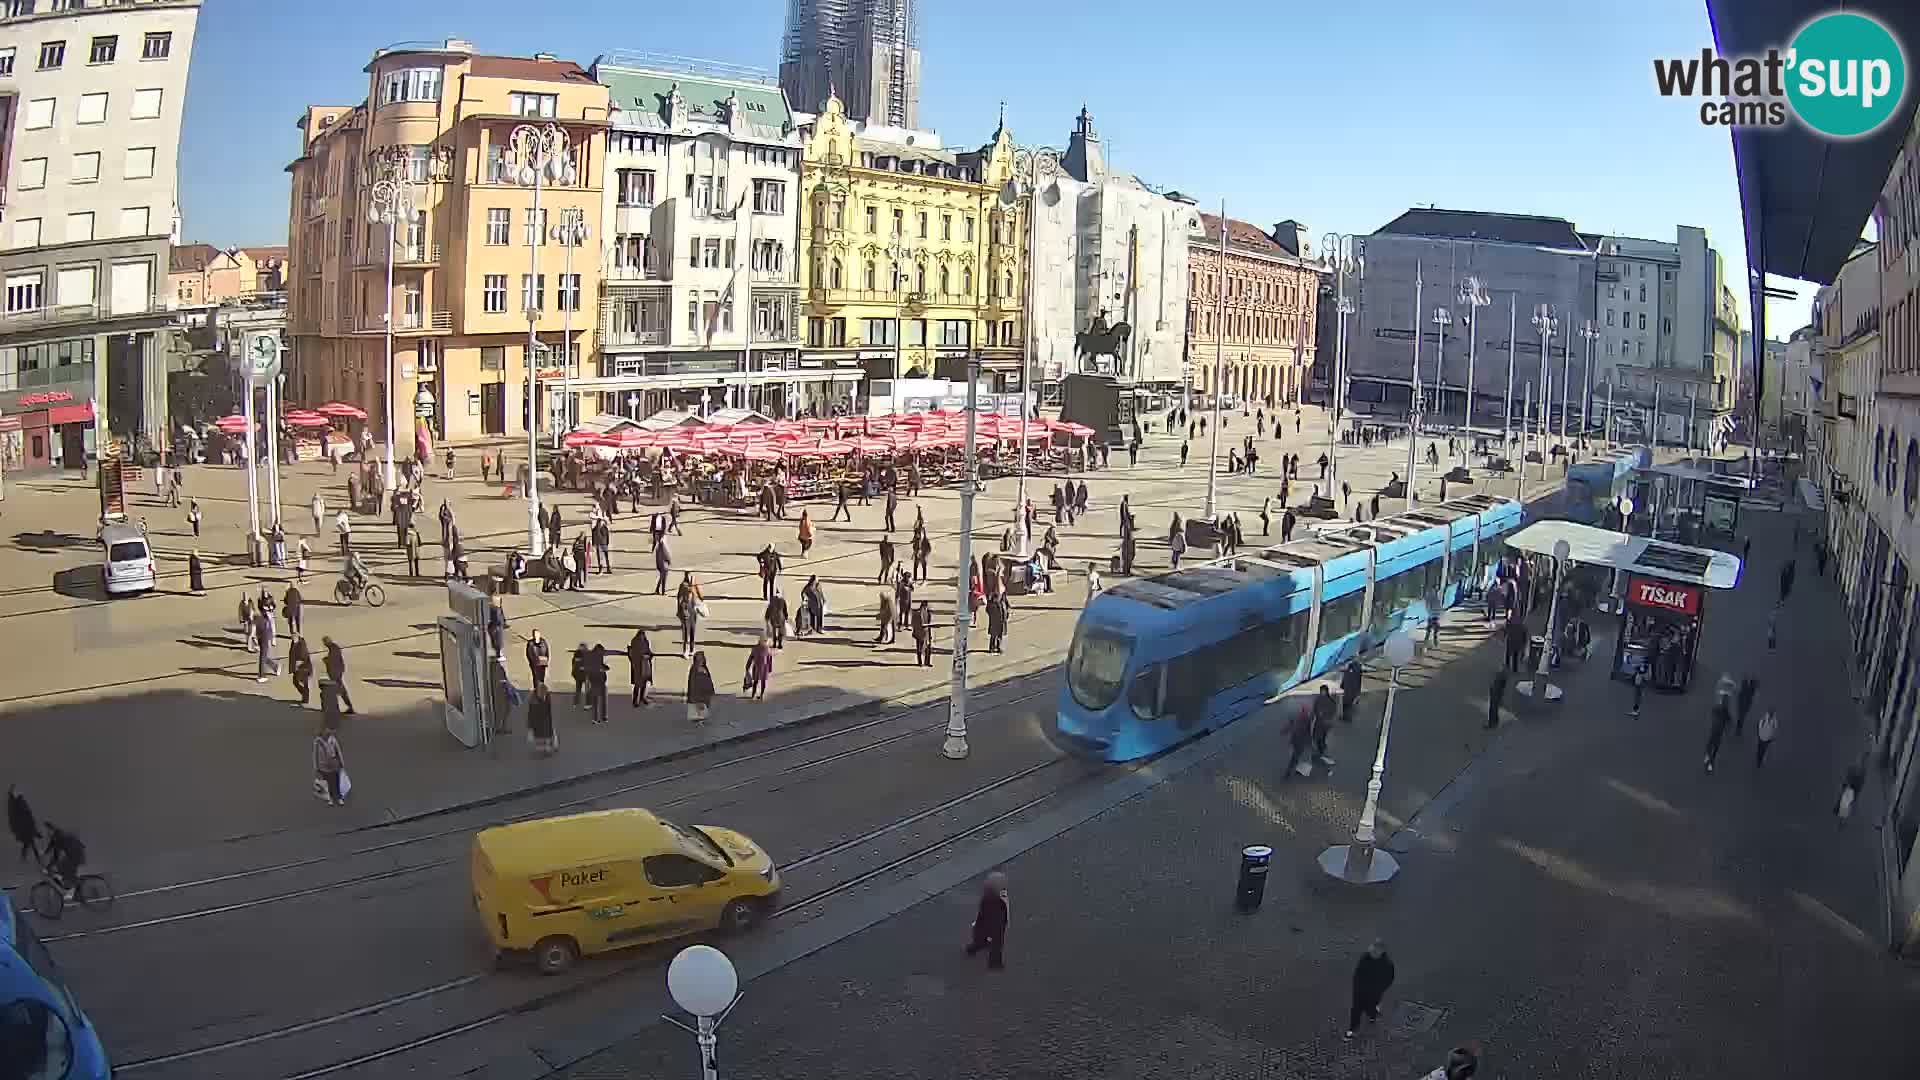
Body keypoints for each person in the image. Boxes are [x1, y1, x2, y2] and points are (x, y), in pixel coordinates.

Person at [1345, 940, 1396, 1039]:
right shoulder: (1365, 958)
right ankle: (1353, 1029)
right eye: (1372, 950)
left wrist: (1380, 988)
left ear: (1381, 952)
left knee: (1370, 1006)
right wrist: (1357, 986)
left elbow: (1389, 978)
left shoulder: (1387, 964)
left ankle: (1372, 1015)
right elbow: (1358, 972)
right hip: (1360, 990)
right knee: (1356, 1009)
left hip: (1374, 991)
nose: (1372, 952)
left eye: (1375, 951)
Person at [965, 871, 1009, 970]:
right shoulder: (999, 899)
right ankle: (994, 961)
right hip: (994, 918)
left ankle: (980, 944)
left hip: (989, 917)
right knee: (996, 939)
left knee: (983, 929)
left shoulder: (987, 899)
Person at [41, 823, 85, 893]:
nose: (47, 833)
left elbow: (56, 855)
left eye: (48, 831)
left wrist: (48, 867)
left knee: (65, 869)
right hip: (76, 852)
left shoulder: (59, 838)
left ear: (52, 830)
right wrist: (45, 853)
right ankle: (74, 886)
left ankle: (76, 888)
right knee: (65, 868)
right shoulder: (57, 835)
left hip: (75, 855)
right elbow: (52, 845)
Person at [313, 723, 348, 806]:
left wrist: (341, 762)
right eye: (327, 730)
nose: (329, 731)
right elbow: (315, 754)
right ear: (323, 731)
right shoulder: (317, 742)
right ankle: (330, 798)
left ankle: (339, 797)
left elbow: (338, 751)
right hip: (323, 766)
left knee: (336, 781)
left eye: (330, 730)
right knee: (327, 783)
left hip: (334, 764)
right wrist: (316, 767)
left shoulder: (333, 740)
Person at [322, 637, 356, 714]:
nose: (324, 644)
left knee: (337, 691)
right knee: (338, 690)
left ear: (327, 642)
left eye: (324, 642)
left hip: (336, 673)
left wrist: (326, 660)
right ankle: (347, 707)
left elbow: (333, 660)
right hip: (336, 672)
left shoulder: (333, 648)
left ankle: (346, 707)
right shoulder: (333, 648)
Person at [1703, 688, 1733, 774]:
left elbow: (1714, 715)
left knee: (1711, 745)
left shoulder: (1718, 709)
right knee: (1714, 747)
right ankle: (1710, 762)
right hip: (1718, 731)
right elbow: (1728, 722)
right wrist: (1727, 730)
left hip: (1715, 730)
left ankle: (1708, 759)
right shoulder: (1723, 711)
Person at [8, 786, 40, 863]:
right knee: (30, 843)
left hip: (26, 827)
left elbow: (27, 816)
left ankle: (26, 857)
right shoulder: (18, 805)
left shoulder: (18, 804)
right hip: (25, 828)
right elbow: (25, 815)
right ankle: (35, 857)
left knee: (29, 843)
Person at [677, 574, 704, 658]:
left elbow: (702, 597)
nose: (692, 578)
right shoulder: (683, 585)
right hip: (685, 608)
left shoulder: (695, 586)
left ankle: (692, 649)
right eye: (690, 576)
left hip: (693, 609)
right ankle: (685, 650)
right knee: (686, 631)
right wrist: (681, 611)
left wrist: (696, 588)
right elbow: (680, 599)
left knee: (692, 630)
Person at [1837, 755, 1867, 826]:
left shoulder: (1862, 771)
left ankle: (1842, 821)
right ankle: (1842, 821)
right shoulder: (1854, 768)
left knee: (1847, 805)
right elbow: (1848, 777)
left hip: (1853, 789)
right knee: (1846, 805)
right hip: (1851, 788)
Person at [527, 684, 557, 755]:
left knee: (547, 731)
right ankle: (546, 746)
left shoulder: (547, 696)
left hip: (545, 716)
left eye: (545, 693)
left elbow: (548, 710)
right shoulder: (533, 700)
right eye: (542, 694)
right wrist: (531, 728)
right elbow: (531, 714)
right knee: (541, 732)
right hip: (537, 717)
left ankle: (548, 745)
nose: (544, 695)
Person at [1311, 685, 1337, 767]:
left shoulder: (1329, 700)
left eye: (1323, 691)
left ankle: (1321, 753)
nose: (1322, 693)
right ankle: (1320, 752)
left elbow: (1332, 711)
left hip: (1324, 723)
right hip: (1320, 723)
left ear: (1326, 691)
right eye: (1321, 691)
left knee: (1320, 738)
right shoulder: (1319, 699)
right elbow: (1314, 709)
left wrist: (1324, 715)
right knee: (1318, 737)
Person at [686, 651, 716, 724]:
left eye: (702, 659)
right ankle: (699, 721)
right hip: (698, 695)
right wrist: (694, 699)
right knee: (698, 710)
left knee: (703, 711)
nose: (701, 661)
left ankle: (700, 721)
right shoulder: (694, 670)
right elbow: (692, 684)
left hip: (705, 694)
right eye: (699, 660)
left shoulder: (705, 668)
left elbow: (709, 680)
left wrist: (711, 691)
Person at [585, 644, 610, 724]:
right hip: (598, 681)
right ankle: (602, 717)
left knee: (596, 701)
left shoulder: (594, 657)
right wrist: (603, 669)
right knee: (601, 701)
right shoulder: (596, 657)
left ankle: (597, 718)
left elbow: (591, 668)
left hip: (596, 681)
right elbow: (596, 668)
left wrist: (604, 668)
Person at [744, 636, 774, 701]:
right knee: (762, 681)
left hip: (757, 666)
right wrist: (770, 668)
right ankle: (761, 695)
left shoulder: (755, 648)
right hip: (764, 667)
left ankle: (753, 695)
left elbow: (750, 658)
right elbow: (770, 659)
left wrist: (747, 666)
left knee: (756, 681)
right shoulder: (767, 649)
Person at [288, 635, 314, 706]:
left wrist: (297, 665)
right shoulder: (295, 643)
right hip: (299, 667)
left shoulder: (301, 645)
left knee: (299, 682)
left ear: (297, 638)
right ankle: (305, 696)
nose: (292, 640)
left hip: (303, 668)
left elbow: (303, 656)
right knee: (298, 682)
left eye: (293, 638)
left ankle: (305, 696)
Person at [1340, 660, 1363, 724]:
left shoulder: (1349, 670)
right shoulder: (1358, 671)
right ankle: (1348, 717)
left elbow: (1345, 678)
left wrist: (1342, 685)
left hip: (1348, 689)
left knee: (1346, 703)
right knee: (1349, 704)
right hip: (1353, 690)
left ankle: (1345, 717)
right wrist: (1358, 692)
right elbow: (1359, 682)